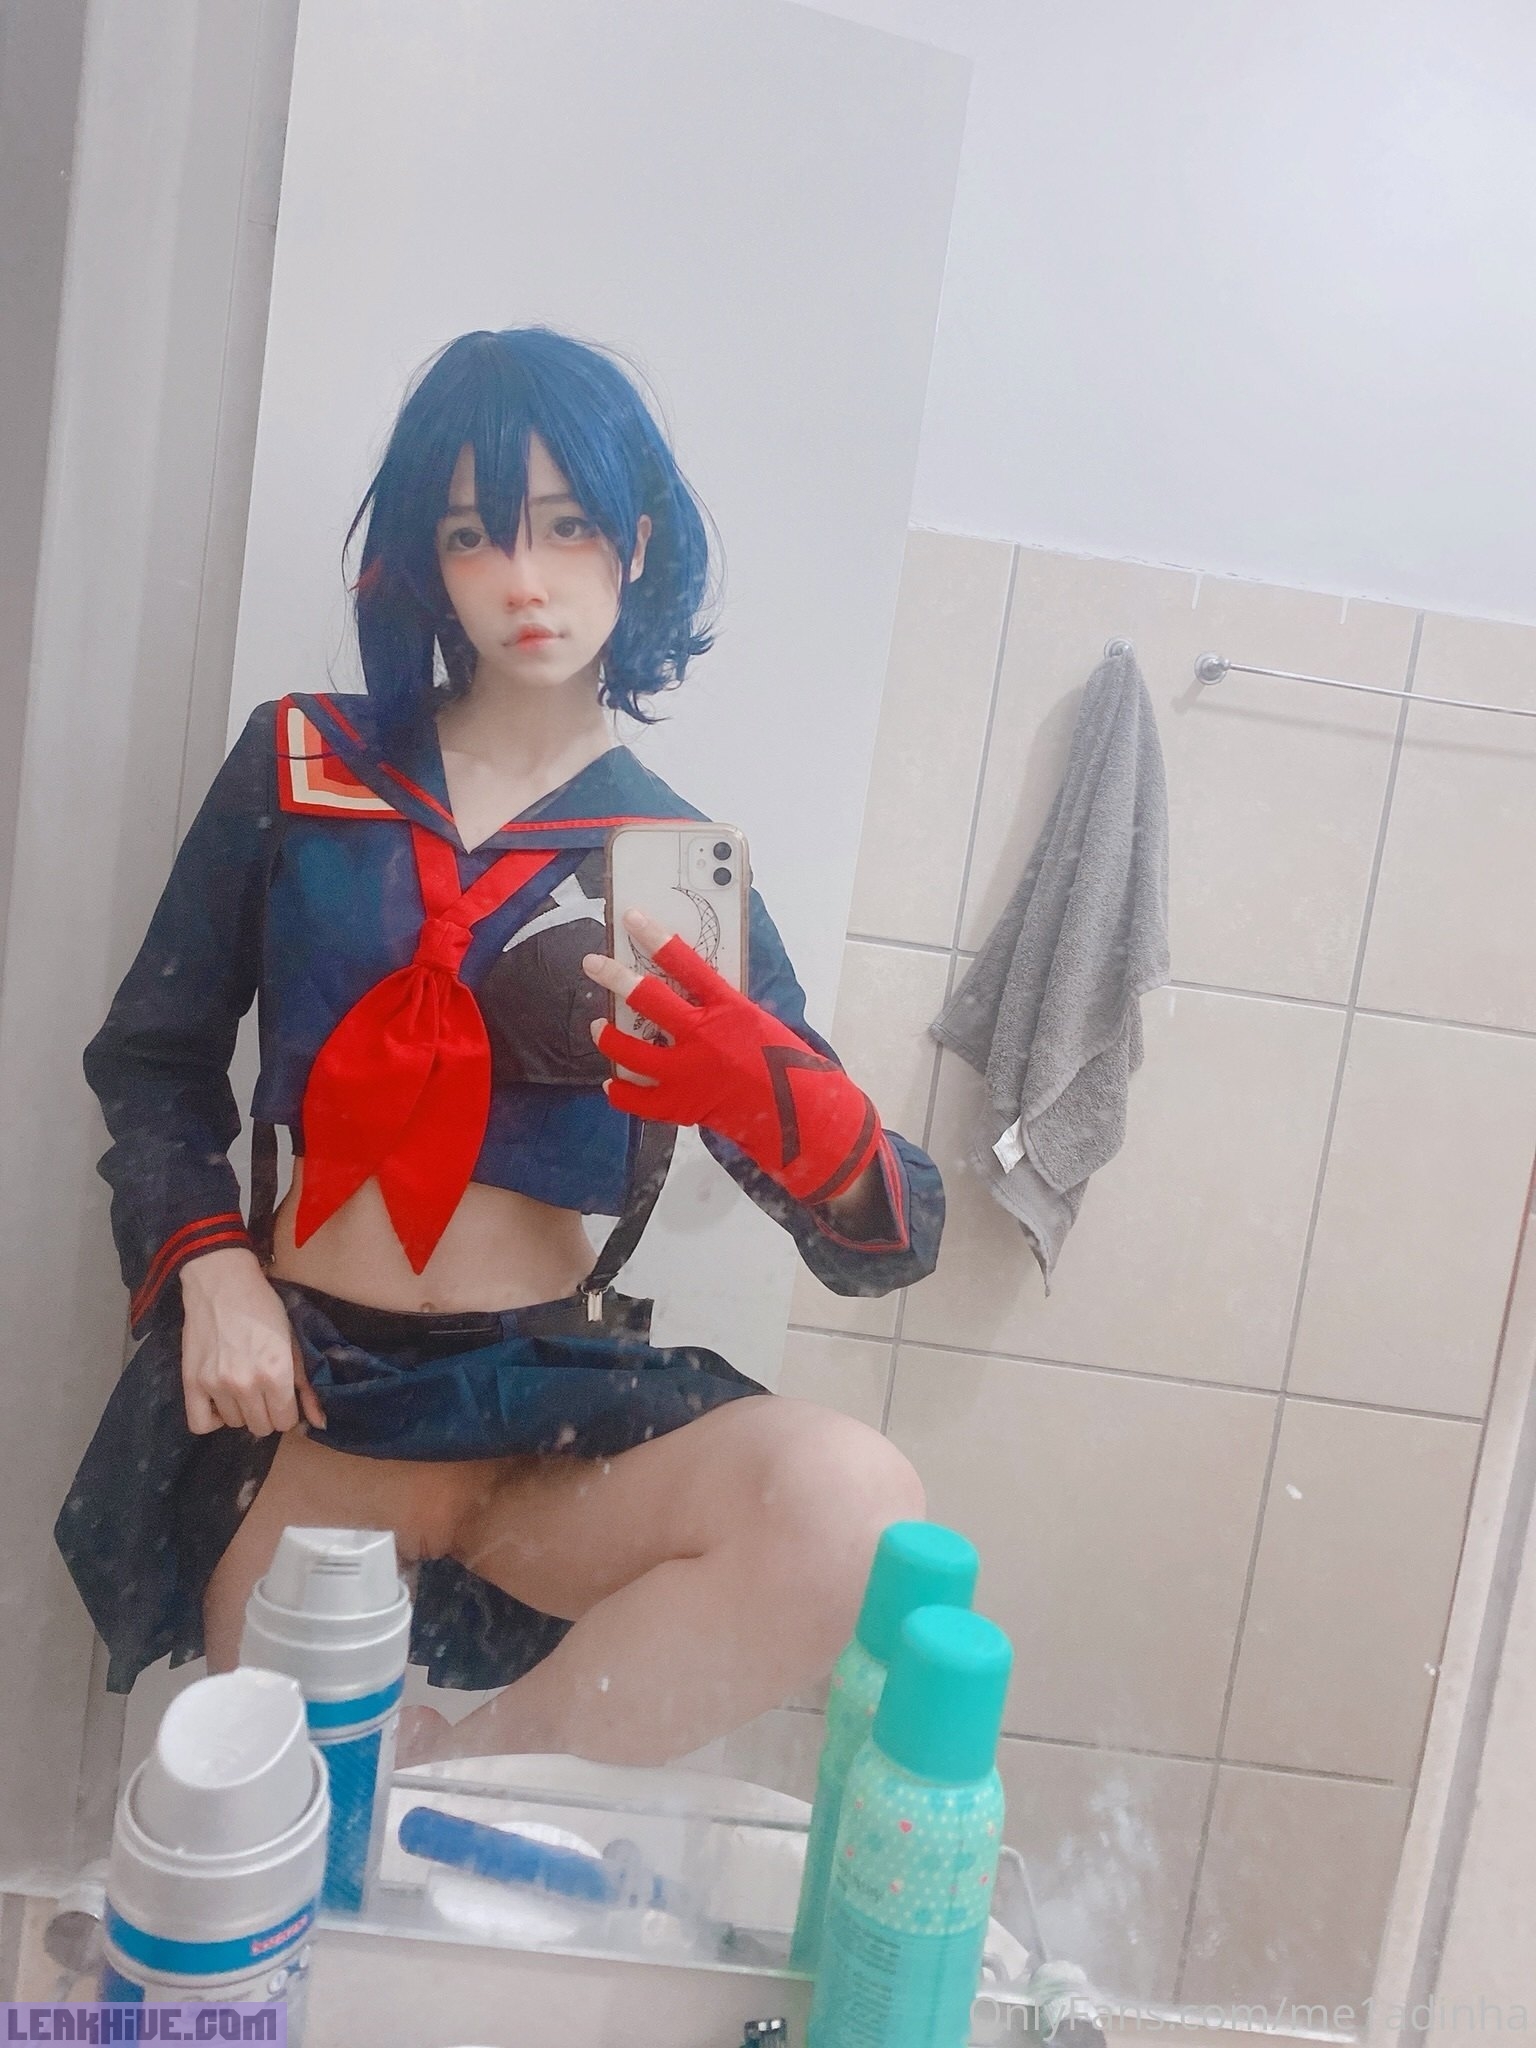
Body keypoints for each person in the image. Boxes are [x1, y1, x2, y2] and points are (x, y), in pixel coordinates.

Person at [54, 326, 944, 1769]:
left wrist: (785, 1108)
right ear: (429, 560)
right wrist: (208, 1265)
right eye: (476, 534)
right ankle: (380, 1805)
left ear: (635, 544)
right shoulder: (303, 765)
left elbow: (891, 1237)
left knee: (855, 1507)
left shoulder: (670, 862)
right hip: (315, 1394)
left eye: (569, 525)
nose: (526, 580)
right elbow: (153, 1060)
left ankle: (468, 1775)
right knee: (290, 1838)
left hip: (542, 1421)